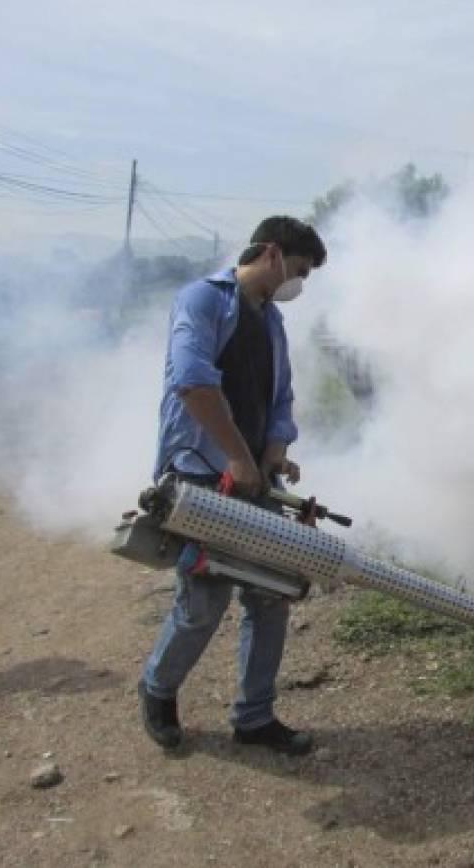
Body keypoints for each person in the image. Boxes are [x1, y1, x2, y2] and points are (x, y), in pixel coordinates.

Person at [138, 215, 326, 755]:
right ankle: (157, 689)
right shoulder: (202, 301)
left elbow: (280, 398)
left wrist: (273, 454)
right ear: (270, 253)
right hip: (201, 475)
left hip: (249, 477)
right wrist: (240, 459)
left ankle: (254, 717)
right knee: (204, 599)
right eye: (298, 269)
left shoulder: (270, 321)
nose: (299, 283)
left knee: (270, 597)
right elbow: (193, 384)